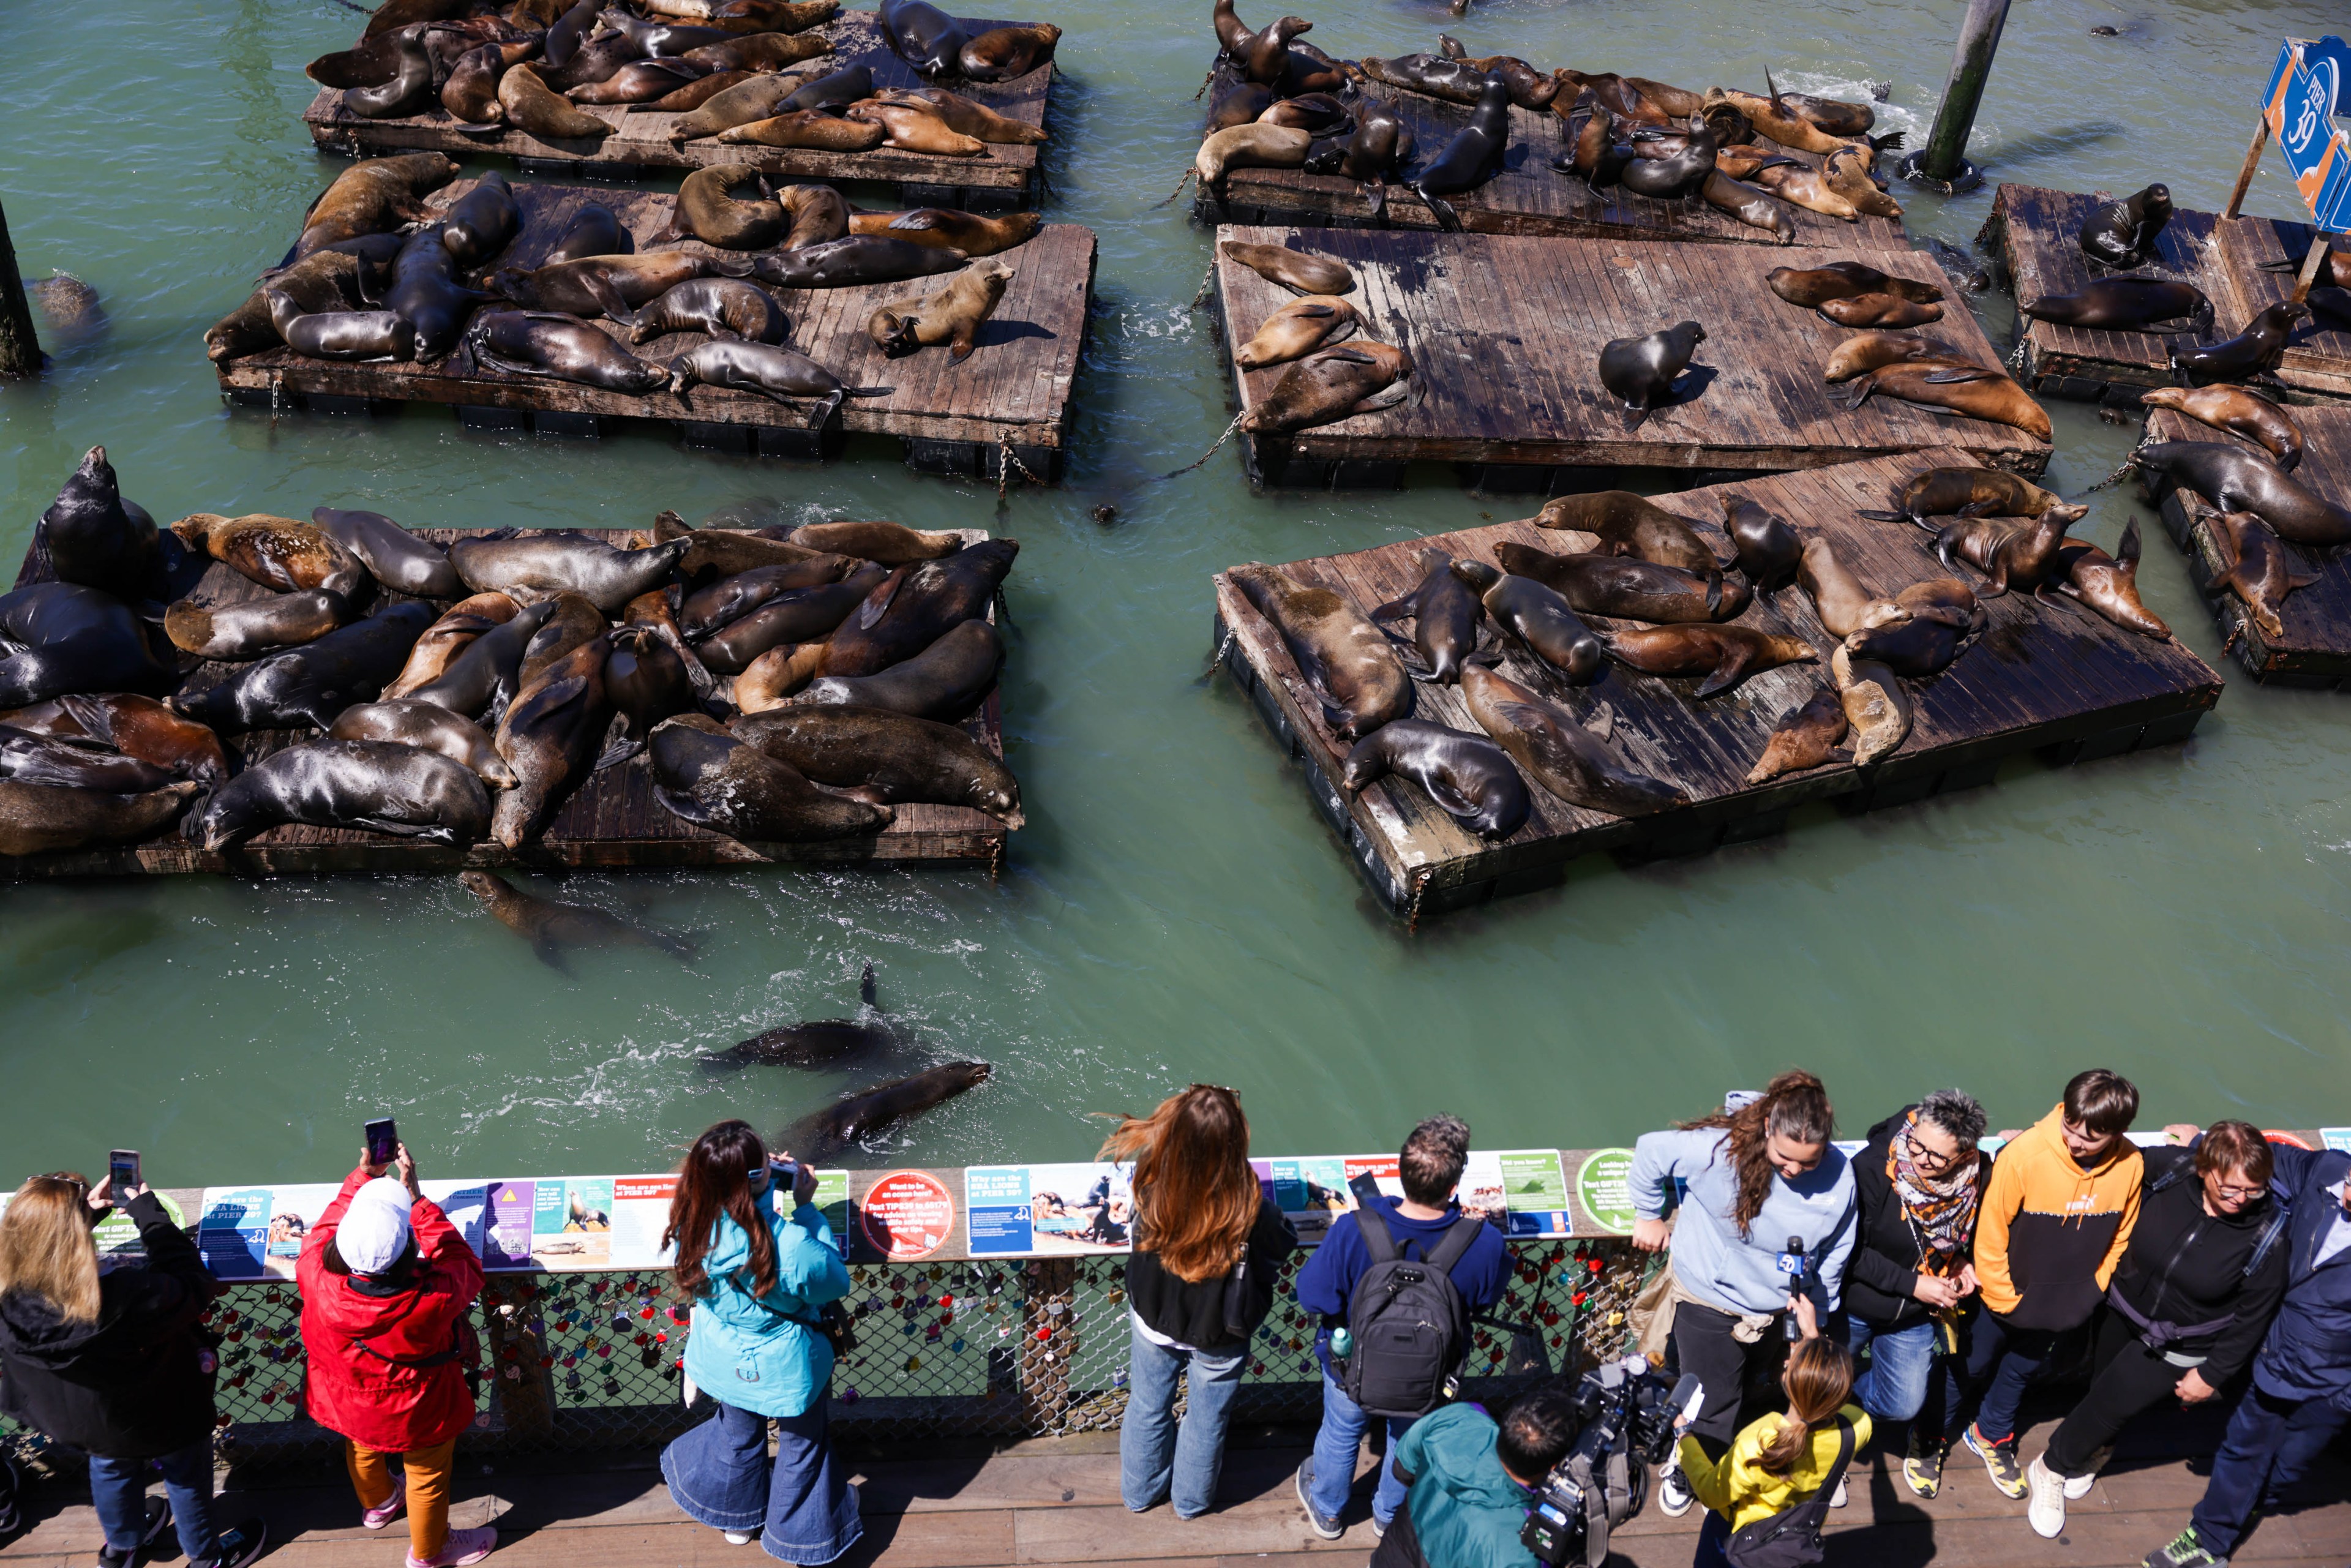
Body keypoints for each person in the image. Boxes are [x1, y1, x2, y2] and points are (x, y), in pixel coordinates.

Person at [2025, 1120, 2287, 1539]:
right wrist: (2030, 1147)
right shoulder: (2173, 1168)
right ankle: (2098, 1446)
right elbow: (2111, 1159)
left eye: (2254, 1190)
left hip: (2181, 1339)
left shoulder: (2267, 1237)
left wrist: (2212, 1373)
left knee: (2113, 1403)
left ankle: (2050, 1466)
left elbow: (2253, 1317)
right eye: (2230, 1188)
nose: (2242, 1199)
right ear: (2204, 1169)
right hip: (2123, 1305)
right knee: (2100, 1390)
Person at [0, 1172, 264, 1568]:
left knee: (110, 1466)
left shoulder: (9, 1301)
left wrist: (81, 1217)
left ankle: (121, 1548)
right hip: (161, 1413)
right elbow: (192, 1283)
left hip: (85, 1421)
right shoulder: (124, 1296)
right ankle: (207, 1559)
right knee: (184, 1473)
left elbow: (45, 1251)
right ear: (72, 1237)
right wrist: (149, 1215)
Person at [1629, 1071, 1855, 1518]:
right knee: (1714, 1400)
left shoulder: (1840, 1174)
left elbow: (1837, 1246)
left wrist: (1820, 1309)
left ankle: (1737, 1450)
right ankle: (1689, 1464)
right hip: (1709, 1299)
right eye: (1784, 1158)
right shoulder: (1717, 1146)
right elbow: (1651, 1150)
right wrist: (1646, 1214)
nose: (1793, 1171)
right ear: (1768, 1126)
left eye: (1807, 1163)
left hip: (1779, 1306)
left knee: (1753, 1384)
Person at [1292, 1115, 1513, 1540]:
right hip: (1431, 1373)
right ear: (1454, 1187)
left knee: (1342, 1432)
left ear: (1400, 1172)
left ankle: (1328, 1511)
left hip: (1350, 1363)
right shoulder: (1484, 1242)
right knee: (1408, 1439)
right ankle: (1388, 1516)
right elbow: (1485, 1299)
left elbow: (1314, 1296)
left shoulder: (1353, 1229)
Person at [2143, 1126, 2351, 1568]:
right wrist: (2202, 1141)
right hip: (2274, 1354)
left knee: (2291, 1465)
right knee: (2245, 1446)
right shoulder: (2328, 1169)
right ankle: (2209, 1540)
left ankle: (2252, 1501)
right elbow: (2264, 1158)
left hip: (2335, 1383)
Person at [659, 1120, 860, 1565]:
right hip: (787, 1366)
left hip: (722, 1358)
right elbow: (831, 1281)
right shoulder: (789, 1244)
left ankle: (738, 1518)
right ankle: (798, 1540)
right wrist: (805, 1209)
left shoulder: (692, 1223)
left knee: (737, 1432)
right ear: (761, 1177)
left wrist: (761, 1178)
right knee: (802, 1445)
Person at [1941, 1068, 2143, 1501]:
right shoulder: (2024, 1154)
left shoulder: (2133, 1165)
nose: (2074, 1141)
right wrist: (2003, 1297)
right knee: (1970, 1365)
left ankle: (1990, 1434)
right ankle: (1933, 1433)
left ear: (2118, 1132)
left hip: (2065, 1303)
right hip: (2005, 1297)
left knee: (2022, 1368)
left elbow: (2121, 1236)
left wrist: (2091, 1288)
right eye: (2070, 1127)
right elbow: (1990, 1231)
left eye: (2089, 1138)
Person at [1108, 1084, 1298, 1519]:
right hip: (1220, 1330)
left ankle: (1140, 1493)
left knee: (1148, 1404)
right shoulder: (1250, 1207)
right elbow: (1284, 1241)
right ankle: (1191, 1502)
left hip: (1155, 1317)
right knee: (1207, 1418)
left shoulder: (1150, 1179)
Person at [299, 1140, 491, 1568]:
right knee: (425, 1475)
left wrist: (362, 1176)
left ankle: (380, 1503)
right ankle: (430, 1552)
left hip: (349, 1401)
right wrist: (419, 1201)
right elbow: (464, 1262)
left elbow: (322, 1229)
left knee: (363, 1445)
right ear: (408, 1249)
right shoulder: (432, 1296)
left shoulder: (314, 1275)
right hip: (418, 1410)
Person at [1837, 1090, 1992, 1499]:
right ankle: (1826, 1429)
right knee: (1822, 1380)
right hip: (1856, 1303)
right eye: (1917, 1143)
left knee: (1901, 1404)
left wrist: (1961, 1260)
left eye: (1937, 1156)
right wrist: (1913, 1284)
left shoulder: (1978, 1175)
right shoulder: (1869, 1169)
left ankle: (1842, 1399)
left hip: (1914, 1314)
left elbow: (1972, 1233)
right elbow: (1847, 1253)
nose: (1921, 1158)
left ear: (1965, 1153)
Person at [1676, 1299, 1868, 1568]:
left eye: (1792, 1358)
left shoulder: (1760, 1439)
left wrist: (1684, 1435)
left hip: (1738, 1535)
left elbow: (1711, 1493)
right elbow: (1826, 1395)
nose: (1789, 1354)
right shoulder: (1856, 1428)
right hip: (1794, 1535)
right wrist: (1812, 1336)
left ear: (1787, 1376)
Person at [1372, 1383, 1580, 1568]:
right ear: (1554, 1467)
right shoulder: (1523, 1547)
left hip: (1391, 1555)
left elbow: (1402, 1468)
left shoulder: (1459, 1417)